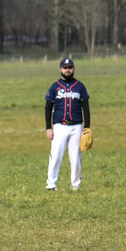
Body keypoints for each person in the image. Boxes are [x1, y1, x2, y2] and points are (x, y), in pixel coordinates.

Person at [45, 56, 90, 191]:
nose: (68, 70)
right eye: (65, 68)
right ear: (60, 69)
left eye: (70, 67)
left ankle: (75, 185)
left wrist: (87, 127)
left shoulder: (80, 87)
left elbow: (86, 108)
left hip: (76, 127)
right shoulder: (55, 87)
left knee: (75, 159)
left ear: (73, 69)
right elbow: (48, 108)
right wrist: (48, 128)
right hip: (59, 127)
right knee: (56, 157)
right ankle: (51, 184)